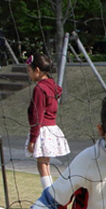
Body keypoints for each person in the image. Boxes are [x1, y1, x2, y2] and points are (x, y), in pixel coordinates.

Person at [25, 53, 70, 190]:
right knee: (46, 163)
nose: (29, 74)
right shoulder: (52, 86)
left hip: (42, 129)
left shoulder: (40, 89)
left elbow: (37, 114)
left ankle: (48, 196)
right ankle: (50, 192)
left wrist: (33, 139)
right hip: (52, 128)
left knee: (42, 164)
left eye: (29, 71)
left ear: (37, 70)